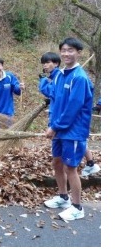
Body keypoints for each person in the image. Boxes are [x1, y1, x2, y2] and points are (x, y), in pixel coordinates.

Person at [43, 38, 93, 222]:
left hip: (73, 131)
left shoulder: (79, 77)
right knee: (57, 163)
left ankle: (77, 207)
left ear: (78, 52)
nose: (66, 54)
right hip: (58, 129)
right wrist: (52, 124)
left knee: (70, 167)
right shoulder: (61, 74)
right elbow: (55, 99)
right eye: (63, 50)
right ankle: (63, 197)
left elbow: (74, 106)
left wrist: (55, 127)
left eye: (70, 50)